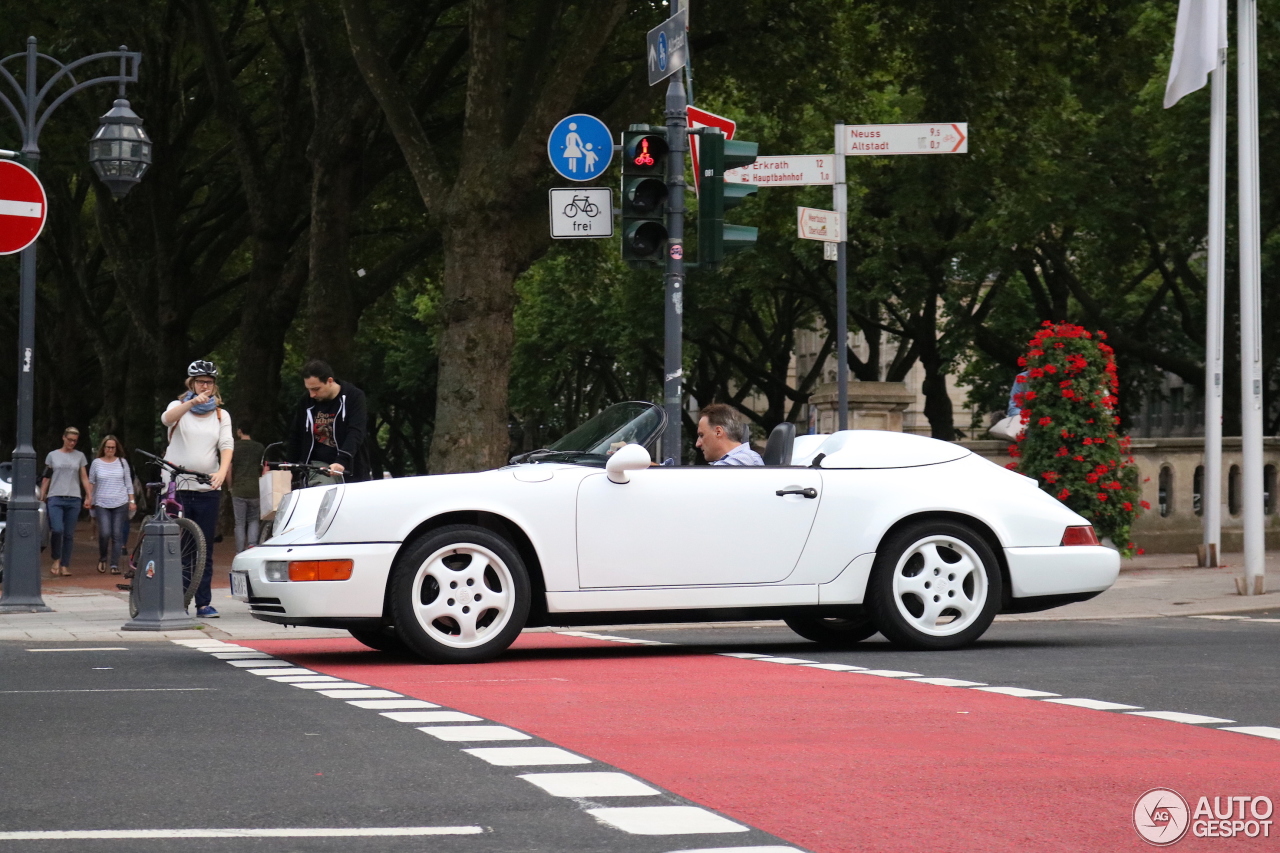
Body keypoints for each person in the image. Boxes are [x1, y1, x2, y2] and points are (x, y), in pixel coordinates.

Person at [161, 360, 233, 618]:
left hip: (206, 489)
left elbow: (226, 444)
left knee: (204, 548)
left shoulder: (221, 415)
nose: (206, 386)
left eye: (210, 382)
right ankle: (176, 600)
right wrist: (191, 402)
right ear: (191, 384)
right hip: (177, 487)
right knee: (177, 546)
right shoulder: (178, 407)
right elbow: (166, 419)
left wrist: (222, 472)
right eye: (201, 382)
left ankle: (203, 603)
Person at [287, 360, 370, 485]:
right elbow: (295, 435)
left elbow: (356, 432)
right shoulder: (306, 402)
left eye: (316, 389)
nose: (312, 395)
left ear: (330, 381)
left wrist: (342, 460)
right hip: (317, 466)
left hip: (350, 468)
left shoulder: (354, 397)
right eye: (308, 389)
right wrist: (291, 468)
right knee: (321, 491)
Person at [39, 427, 90, 577]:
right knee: (57, 529)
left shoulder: (80, 456)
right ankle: (56, 558)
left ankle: (65, 565)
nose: (72, 443)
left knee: (68, 534)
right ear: (63, 438)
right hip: (55, 496)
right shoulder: (52, 456)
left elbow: (84, 477)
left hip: (73, 498)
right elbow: (47, 476)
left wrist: (88, 495)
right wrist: (42, 492)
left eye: (75, 441)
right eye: (70, 440)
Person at [85, 435, 135, 575]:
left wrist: (132, 500)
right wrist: (88, 498)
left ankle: (114, 564)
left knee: (117, 534)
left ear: (116, 448)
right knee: (105, 533)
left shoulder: (122, 462)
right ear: (103, 448)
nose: (110, 450)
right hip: (101, 502)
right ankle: (102, 558)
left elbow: (128, 482)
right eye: (108, 447)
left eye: (113, 447)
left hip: (120, 501)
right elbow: (91, 482)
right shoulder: (96, 463)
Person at [230, 421, 264, 552]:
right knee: (253, 520)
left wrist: (230, 485)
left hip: (238, 488)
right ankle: (252, 547)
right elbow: (264, 468)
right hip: (255, 488)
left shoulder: (233, 447)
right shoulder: (259, 447)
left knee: (239, 522)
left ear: (239, 431)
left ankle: (240, 551)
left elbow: (229, 469)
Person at [695, 403, 764, 466]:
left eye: (701, 435)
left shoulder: (742, 459)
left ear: (718, 432)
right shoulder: (739, 460)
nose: (697, 444)